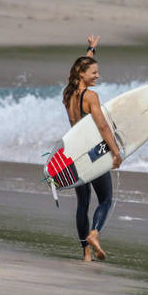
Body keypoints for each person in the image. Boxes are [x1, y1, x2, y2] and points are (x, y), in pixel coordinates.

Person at [62, 35, 122, 261]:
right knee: (105, 199)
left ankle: (86, 254)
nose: (97, 76)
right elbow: (103, 127)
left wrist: (91, 49)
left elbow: (80, 66)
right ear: (82, 74)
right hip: (93, 154)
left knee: (83, 203)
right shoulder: (91, 97)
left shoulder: (67, 94)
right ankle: (94, 233)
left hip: (75, 154)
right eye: (94, 73)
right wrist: (115, 152)